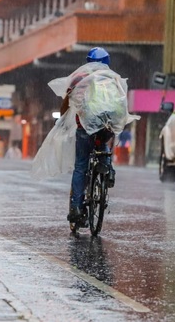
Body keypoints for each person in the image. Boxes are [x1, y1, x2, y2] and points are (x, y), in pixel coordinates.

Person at [62, 47, 117, 225]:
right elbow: (120, 105)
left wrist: (62, 119)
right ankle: (107, 169)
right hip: (104, 128)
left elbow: (67, 102)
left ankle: (77, 208)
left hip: (84, 129)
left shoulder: (79, 79)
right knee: (102, 146)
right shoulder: (112, 80)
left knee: (80, 166)